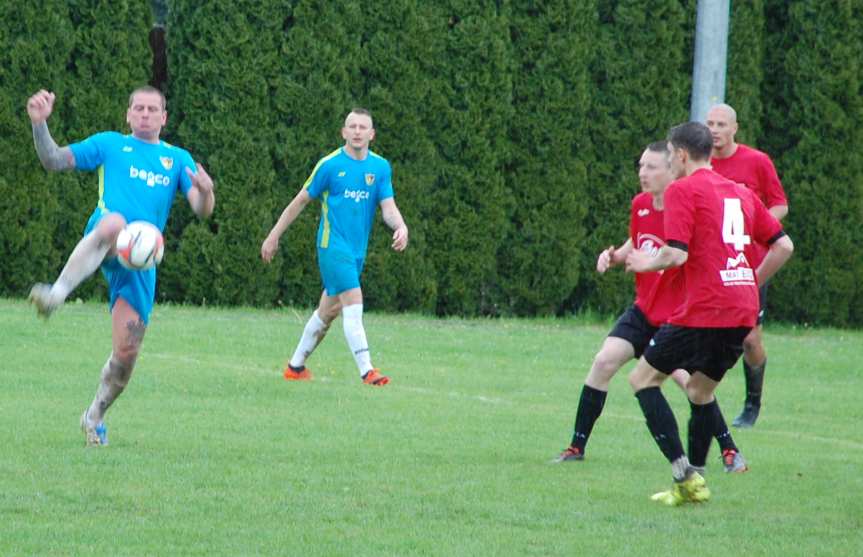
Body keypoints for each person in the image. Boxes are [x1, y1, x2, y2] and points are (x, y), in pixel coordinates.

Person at [26, 86, 215, 447]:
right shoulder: (110, 144)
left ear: (164, 117)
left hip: (141, 263)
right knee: (113, 222)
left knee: (126, 355)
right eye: (138, 108)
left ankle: (94, 416)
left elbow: (201, 209)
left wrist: (206, 191)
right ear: (128, 114)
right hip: (105, 238)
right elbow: (53, 160)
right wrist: (40, 125)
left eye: (152, 109)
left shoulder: (177, 159)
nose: (145, 114)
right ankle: (57, 294)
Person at [625, 122, 793, 506]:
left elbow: (676, 254)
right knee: (700, 391)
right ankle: (695, 483)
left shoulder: (683, 189)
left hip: (704, 310)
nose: (668, 163)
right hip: (741, 312)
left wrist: (643, 261)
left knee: (642, 379)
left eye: (669, 156)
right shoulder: (741, 192)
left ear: (681, 155)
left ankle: (682, 472)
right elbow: (784, 246)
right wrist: (749, 281)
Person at [554, 142, 747, 473]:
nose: (643, 173)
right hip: (644, 312)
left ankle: (730, 450)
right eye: (641, 166)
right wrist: (614, 256)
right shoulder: (641, 205)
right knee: (603, 362)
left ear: (672, 170)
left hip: (676, 319)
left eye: (652, 167)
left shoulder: (684, 208)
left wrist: (651, 264)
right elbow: (637, 240)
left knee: (691, 385)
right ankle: (576, 447)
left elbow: (679, 254)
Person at [261, 108, 408, 386]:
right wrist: (273, 235)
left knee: (327, 312)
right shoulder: (329, 165)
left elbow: (388, 208)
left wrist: (401, 226)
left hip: (356, 251)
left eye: (362, 127)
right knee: (354, 300)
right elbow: (300, 201)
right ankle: (368, 371)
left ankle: (295, 367)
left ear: (371, 134)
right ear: (343, 132)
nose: (356, 131)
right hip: (332, 246)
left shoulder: (380, 168)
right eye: (351, 126)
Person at [706, 103, 789, 428]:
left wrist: (755, 223)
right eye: (710, 123)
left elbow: (780, 204)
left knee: (751, 338)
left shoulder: (757, 161)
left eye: (721, 124)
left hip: (751, 264)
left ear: (735, 128)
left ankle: (752, 405)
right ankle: (700, 397)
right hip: (712, 266)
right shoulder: (701, 164)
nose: (715, 130)